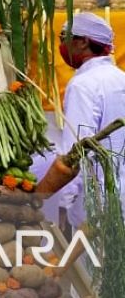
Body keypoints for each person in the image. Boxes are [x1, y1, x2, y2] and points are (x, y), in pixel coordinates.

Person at [49, 12, 125, 231]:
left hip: (95, 208)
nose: (61, 45)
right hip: (120, 197)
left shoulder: (83, 85)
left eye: (64, 37)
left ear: (82, 42)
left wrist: (63, 204)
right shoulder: (120, 78)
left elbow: (76, 151)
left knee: (90, 264)